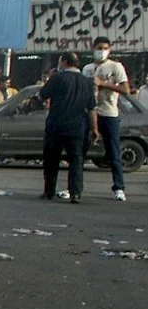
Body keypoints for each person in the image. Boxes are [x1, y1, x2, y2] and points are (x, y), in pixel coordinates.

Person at [41, 52, 97, 203]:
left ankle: (49, 191)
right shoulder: (86, 82)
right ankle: (75, 193)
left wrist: (49, 78)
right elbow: (91, 107)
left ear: (64, 62)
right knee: (76, 161)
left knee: (52, 160)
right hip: (77, 127)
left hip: (56, 125)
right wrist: (94, 128)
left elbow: (43, 94)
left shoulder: (58, 78)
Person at [82, 36, 130, 201]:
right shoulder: (87, 68)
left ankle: (119, 187)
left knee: (114, 153)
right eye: (98, 48)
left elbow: (125, 89)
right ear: (93, 48)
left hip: (109, 113)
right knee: (80, 151)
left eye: (104, 48)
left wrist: (103, 84)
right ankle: (74, 186)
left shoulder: (115, 67)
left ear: (109, 50)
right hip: (90, 113)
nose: (101, 51)